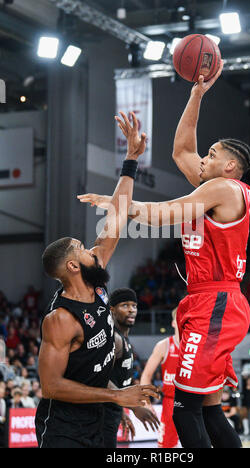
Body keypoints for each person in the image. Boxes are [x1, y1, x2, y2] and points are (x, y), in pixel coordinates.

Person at [80, 61, 250, 448]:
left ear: (229, 166)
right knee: (208, 411)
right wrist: (196, 94)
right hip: (206, 301)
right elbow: (181, 149)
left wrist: (118, 202)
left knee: (183, 410)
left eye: (211, 154)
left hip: (216, 302)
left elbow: (162, 215)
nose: (202, 158)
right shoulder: (211, 187)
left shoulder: (224, 189)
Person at [35, 112, 159, 449]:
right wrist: (117, 396)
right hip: (62, 429)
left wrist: (131, 160)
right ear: (73, 267)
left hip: (96, 418)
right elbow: (51, 386)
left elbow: (117, 215)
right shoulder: (60, 320)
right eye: (82, 248)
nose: (92, 248)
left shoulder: (96, 280)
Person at [102, 287, 160, 447]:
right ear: (112, 309)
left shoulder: (125, 339)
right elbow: (100, 377)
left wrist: (121, 410)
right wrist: (134, 407)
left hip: (112, 410)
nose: (131, 310)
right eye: (125, 305)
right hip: (100, 415)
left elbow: (115, 379)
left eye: (134, 306)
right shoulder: (114, 339)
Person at [140, 307, 180, 448]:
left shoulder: (197, 347)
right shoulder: (164, 345)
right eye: (179, 318)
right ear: (173, 323)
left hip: (193, 403)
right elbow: (146, 375)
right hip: (170, 403)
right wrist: (146, 402)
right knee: (166, 447)